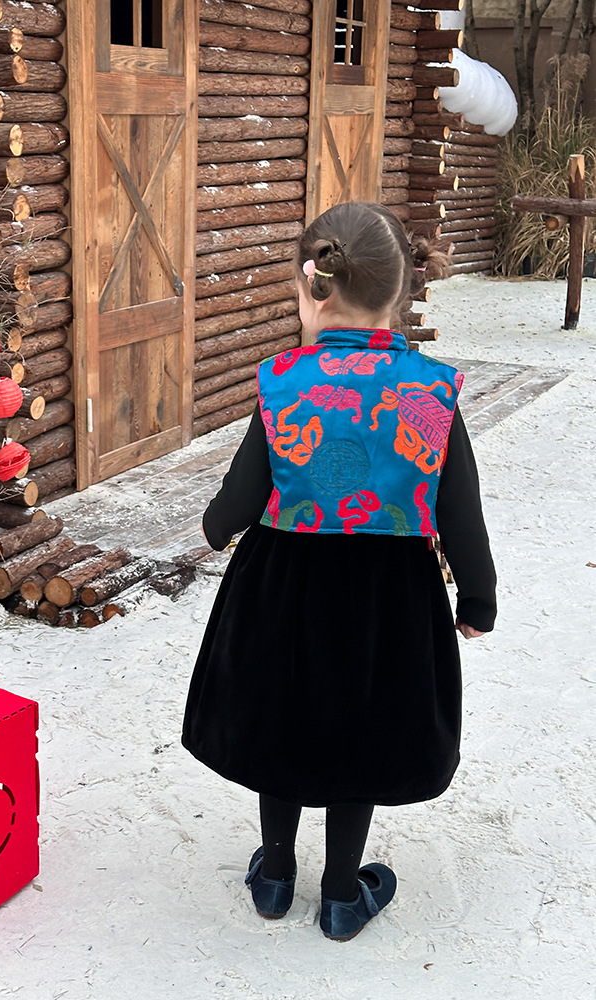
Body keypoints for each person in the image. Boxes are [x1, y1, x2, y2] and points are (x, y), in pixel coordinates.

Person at [182, 201, 496, 942]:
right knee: (364, 731)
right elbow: (460, 508)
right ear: (401, 293)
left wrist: (216, 527)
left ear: (312, 290)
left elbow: (245, 491)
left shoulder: (284, 382)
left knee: (283, 721)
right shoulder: (427, 392)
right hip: (390, 596)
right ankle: (342, 893)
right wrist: (477, 599)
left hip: (284, 585)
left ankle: (274, 876)